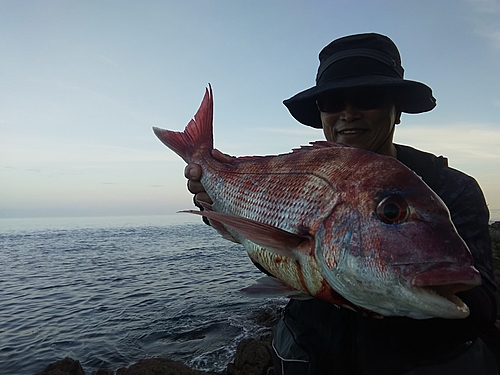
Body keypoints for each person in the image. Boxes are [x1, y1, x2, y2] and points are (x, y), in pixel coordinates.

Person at [184, 33, 500, 374]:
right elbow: (278, 256)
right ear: (321, 115)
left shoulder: (455, 188)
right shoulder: (295, 177)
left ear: (397, 111)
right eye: (332, 102)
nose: (348, 113)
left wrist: (375, 292)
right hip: (310, 353)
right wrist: (220, 213)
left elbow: (480, 307)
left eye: (368, 97)